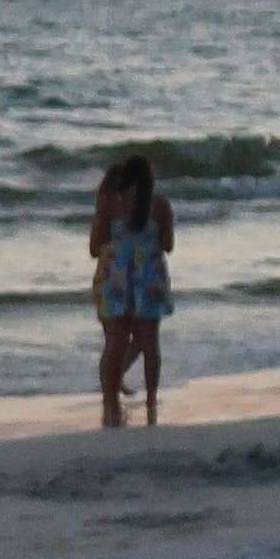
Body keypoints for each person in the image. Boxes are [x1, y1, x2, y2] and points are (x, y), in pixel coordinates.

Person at [88, 153, 176, 425]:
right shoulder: (161, 204)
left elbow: (94, 247)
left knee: (115, 342)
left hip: (116, 279)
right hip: (149, 277)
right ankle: (151, 401)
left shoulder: (111, 205)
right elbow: (168, 244)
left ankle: (110, 401)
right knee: (150, 343)